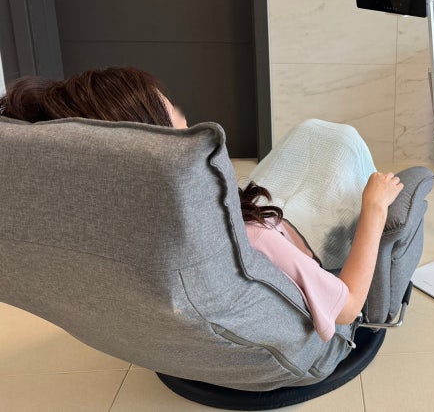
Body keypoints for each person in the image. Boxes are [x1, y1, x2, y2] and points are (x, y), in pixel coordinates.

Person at [0, 66, 403, 341]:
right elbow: (347, 307)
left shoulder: (113, 230)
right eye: (176, 116)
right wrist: (374, 207)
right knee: (343, 141)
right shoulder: (252, 241)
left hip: (255, 211)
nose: (184, 116)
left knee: (313, 132)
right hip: (292, 234)